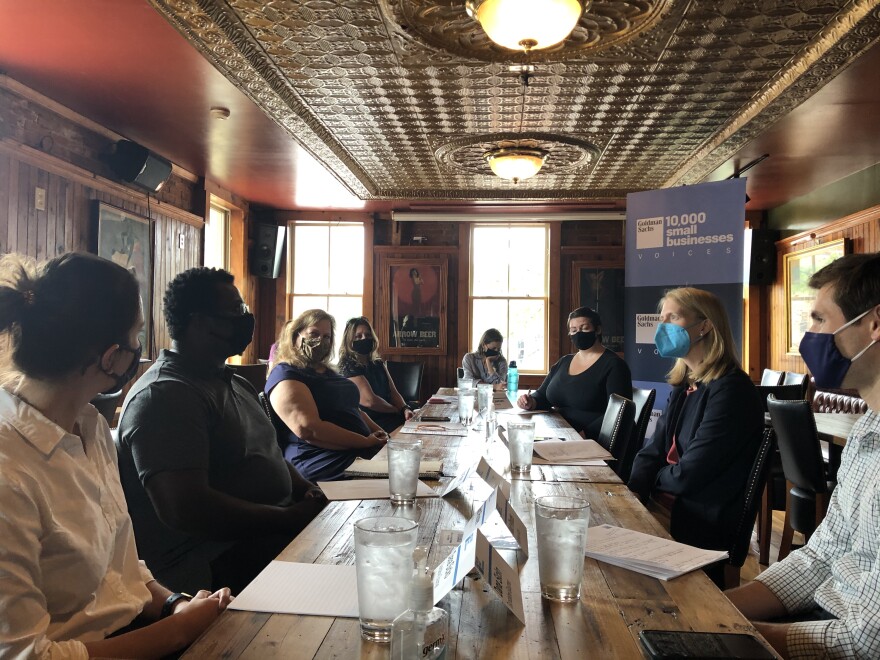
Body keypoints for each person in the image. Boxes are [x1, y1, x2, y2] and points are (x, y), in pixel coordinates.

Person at [0, 252, 232, 659]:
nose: (140, 348)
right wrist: (178, 631)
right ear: (112, 357)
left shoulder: (89, 425)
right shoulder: (10, 471)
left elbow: (119, 573)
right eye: (138, 334)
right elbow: (28, 656)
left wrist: (176, 604)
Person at [116, 267, 325, 595]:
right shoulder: (166, 396)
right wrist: (287, 519)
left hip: (267, 534)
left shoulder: (231, 381)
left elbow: (266, 451)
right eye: (237, 311)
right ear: (200, 323)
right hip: (211, 565)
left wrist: (307, 491)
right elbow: (188, 509)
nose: (246, 318)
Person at [727, 253, 880, 659]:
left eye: (818, 319)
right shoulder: (868, 428)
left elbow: (865, 643)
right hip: (820, 620)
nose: (809, 336)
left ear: (874, 324)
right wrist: (718, 609)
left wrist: (727, 632)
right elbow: (821, 553)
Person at [627, 287, 763, 581]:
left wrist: (655, 478)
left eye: (672, 318)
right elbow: (653, 450)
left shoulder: (731, 391)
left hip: (697, 524)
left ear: (704, 326)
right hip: (664, 505)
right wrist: (636, 490)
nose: (662, 327)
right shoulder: (686, 382)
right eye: (661, 318)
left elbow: (690, 475)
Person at [266, 309, 388, 482]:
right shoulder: (286, 374)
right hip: (320, 458)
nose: (320, 341)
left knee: (410, 465)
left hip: (355, 450)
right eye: (314, 334)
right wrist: (365, 442)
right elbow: (309, 429)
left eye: (327, 337)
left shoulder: (326, 371)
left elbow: (353, 408)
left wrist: (379, 432)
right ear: (295, 336)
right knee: (401, 477)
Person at [517, 306, 632, 438]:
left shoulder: (614, 365)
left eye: (584, 328)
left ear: (598, 330)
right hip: (556, 434)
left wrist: (584, 435)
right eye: (573, 330)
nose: (579, 333)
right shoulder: (564, 361)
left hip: (591, 441)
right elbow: (543, 396)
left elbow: (620, 413)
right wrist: (530, 402)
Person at [337, 316, 414, 433]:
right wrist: (395, 410)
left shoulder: (377, 362)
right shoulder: (348, 366)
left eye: (368, 335)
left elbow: (393, 392)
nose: (364, 339)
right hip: (371, 422)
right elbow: (370, 401)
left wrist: (405, 409)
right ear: (349, 341)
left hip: (391, 415)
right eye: (358, 336)